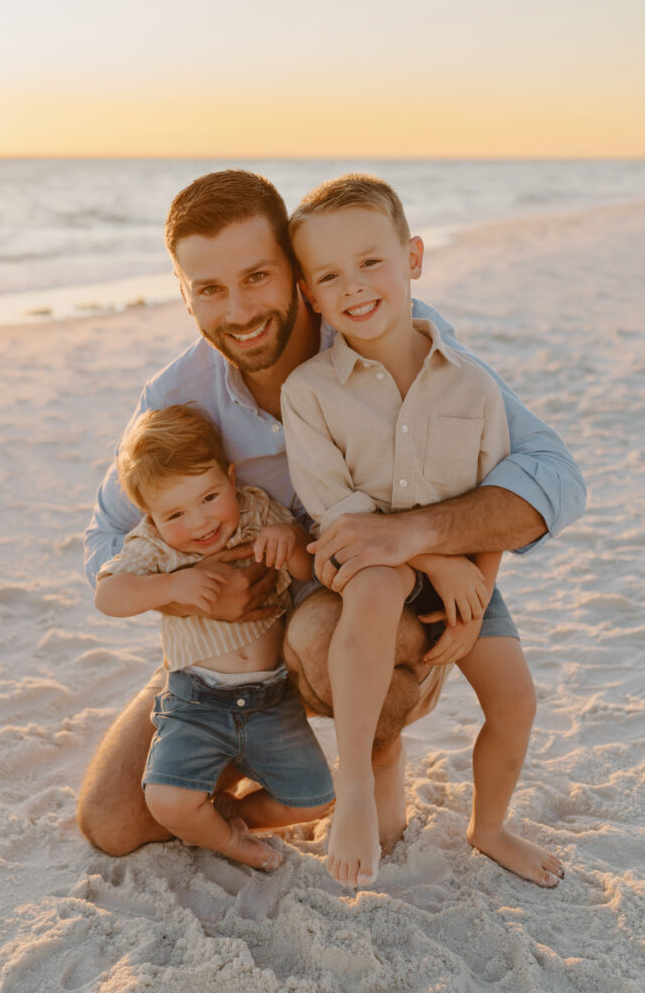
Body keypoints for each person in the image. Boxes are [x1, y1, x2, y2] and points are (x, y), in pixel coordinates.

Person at [78, 169, 585, 890]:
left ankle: (373, 760)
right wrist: (192, 595)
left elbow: (550, 475)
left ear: (294, 276)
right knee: (116, 823)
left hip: (365, 602)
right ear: (183, 294)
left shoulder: (386, 330)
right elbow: (104, 545)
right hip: (234, 642)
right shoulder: (176, 398)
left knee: (328, 633)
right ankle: (257, 776)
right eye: (210, 289)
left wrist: (420, 540)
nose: (240, 309)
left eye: (257, 276)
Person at [280, 172, 533, 888]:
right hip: (364, 563)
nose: (354, 286)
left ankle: (489, 827)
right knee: (374, 584)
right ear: (310, 296)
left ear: (413, 258)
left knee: (515, 699)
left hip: (463, 570)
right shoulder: (311, 391)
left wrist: (474, 588)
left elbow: (495, 499)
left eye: (371, 262)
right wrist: (431, 559)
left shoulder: (473, 384)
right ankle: (355, 782)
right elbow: (339, 512)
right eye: (329, 275)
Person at [94, 403, 334, 871]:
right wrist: (171, 586)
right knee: (166, 801)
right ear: (150, 516)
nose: (200, 523)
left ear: (230, 477)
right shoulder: (156, 545)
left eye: (208, 498)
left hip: (272, 701)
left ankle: (232, 815)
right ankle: (228, 843)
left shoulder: (258, 510)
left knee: (313, 800)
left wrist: (290, 542)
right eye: (175, 513)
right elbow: (108, 594)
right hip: (195, 702)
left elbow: (311, 572)